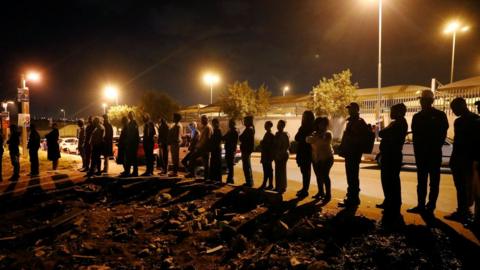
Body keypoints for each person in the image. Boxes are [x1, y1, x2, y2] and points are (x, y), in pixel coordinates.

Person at [408, 90, 449, 215]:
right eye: (421, 99)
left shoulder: (439, 115)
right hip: (425, 155)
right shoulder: (418, 116)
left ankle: (429, 206)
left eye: (423, 99)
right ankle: (422, 205)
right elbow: (416, 137)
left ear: (429, 101)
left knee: (432, 182)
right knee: (423, 182)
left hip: (432, 154)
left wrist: (433, 147)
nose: (421, 101)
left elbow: (442, 135)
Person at [444, 98, 479, 223]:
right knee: (467, 188)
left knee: (462, 187)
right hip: (469, 160)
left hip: (462, 159)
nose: (453, 111)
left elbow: (459, 143)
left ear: (461, 106)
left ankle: (462, 212)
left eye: (454, 109)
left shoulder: (461, 122)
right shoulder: (476, 119)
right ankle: (466, 211)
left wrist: (454, 160)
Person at [378, 103, 408, 223]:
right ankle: (389, 201)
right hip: (389, 155)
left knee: (391, 180)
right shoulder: (395, 123)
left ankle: (393, 204)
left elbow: (382, 134)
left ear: (399, 112)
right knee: (387, 180)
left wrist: (385, 132)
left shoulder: (399, 124)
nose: (390, 113)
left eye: (392, 111)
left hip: (392, 155)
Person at [338, 102, 370, 208]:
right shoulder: (351, 121)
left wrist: (351, 136)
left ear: (356, 109)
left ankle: (353, 198)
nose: (349, 110)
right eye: (349, 109)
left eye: (351, 109)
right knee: (351, 176)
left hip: (354, 153)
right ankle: (351, 197)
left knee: (352, 176)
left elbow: (359, 138)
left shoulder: (359, 122)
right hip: (350, 152)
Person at [307, 117, 334, 203]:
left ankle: (328, 194)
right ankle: (321, 192)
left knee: (325, 176)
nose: (322, 125)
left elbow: (324, 141)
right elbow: (307, 140)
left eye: (323, 124)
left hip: (327, 158)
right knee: (318, 176)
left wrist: (314, 138)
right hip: (316, 158)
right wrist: (314, 138)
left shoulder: (328, 133)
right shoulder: (314, 134)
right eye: (320, 124)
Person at [295, 111, 315, 197]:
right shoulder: (303, 127)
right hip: (303, 151)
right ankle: (304, 188)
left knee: (306, 171)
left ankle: (305, 190)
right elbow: (297, 137)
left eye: (304, 116)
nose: (303, 117)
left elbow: (302, 138)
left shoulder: (311, 127)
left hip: (307, 152)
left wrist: (303, 138)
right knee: (304, 171)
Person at [186, 115, 212, 179]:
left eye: (202, 120)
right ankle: (205, 177)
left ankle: (194, 174)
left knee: (194, 159)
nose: (201, 121)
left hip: (203, 148)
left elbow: (204, 140)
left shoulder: (207, 128)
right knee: (205, 163)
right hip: (203, 148)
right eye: (201, 120)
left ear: (206, 120)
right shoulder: (205, 127)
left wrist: (197, 147)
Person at [274, 120, 289, 194]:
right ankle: (278, 186)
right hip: (277, 154)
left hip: (283, 155)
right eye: (278, 124)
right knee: (277, 171)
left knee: (282, 171)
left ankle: (282, 186)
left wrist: (280, 154)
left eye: (280, 125)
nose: (278, 126)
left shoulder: (285, 135)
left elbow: (286, 146)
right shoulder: (277, 134)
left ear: (283, 126)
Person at [240, 116, 255, 187]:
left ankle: (249, 182)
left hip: (246, 150)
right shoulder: (249, 129)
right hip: (246, 150)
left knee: (246, 166)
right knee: (247, 166)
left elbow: (242, 138)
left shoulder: (249, 129)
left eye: (245, 120)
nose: (244, 122)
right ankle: (249, 181)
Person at [259, 121, 275, 190]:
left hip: (267, 155)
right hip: (266, 154)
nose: (264, 126)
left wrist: (262, 143)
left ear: (269, 126)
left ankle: (268, 184)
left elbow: (269, 145)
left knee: (267, 170)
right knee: (267, 170)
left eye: (266, 125)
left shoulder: (270, 135)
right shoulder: (268, 134)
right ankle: (267, 184)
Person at [223, 119, 238, 184]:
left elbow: (232, 141)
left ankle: (230, 178)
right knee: (229, 165)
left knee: (230, 165)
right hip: (229, 150)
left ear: (232, 124)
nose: (228, 124)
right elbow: (224, 137)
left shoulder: (234, 131)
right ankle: (230, 178)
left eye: (230, 123)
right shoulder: (230, 131)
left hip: (231, 150)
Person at [126, 111, 140, 177]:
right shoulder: (130, 123)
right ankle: (129, 171)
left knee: (134, 158)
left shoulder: (134, 123)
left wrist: (131, 142)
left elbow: (134, 134)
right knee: (130, 158)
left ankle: (135, 172)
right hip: (130, 143)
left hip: (133, 143)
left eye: (130, 115)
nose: (129, 116)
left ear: (133, 115)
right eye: (129, 115)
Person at [210, 118, 223, 183]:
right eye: (213, 123)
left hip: (216, 150)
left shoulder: (218, 130)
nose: (213, 124)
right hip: (214, 150)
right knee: (214, 164)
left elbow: (217, 141)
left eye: (214, 123)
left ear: (217, 123)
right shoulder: (215, 130)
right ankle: (214, 178)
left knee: (217, 164)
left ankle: (218, 179)